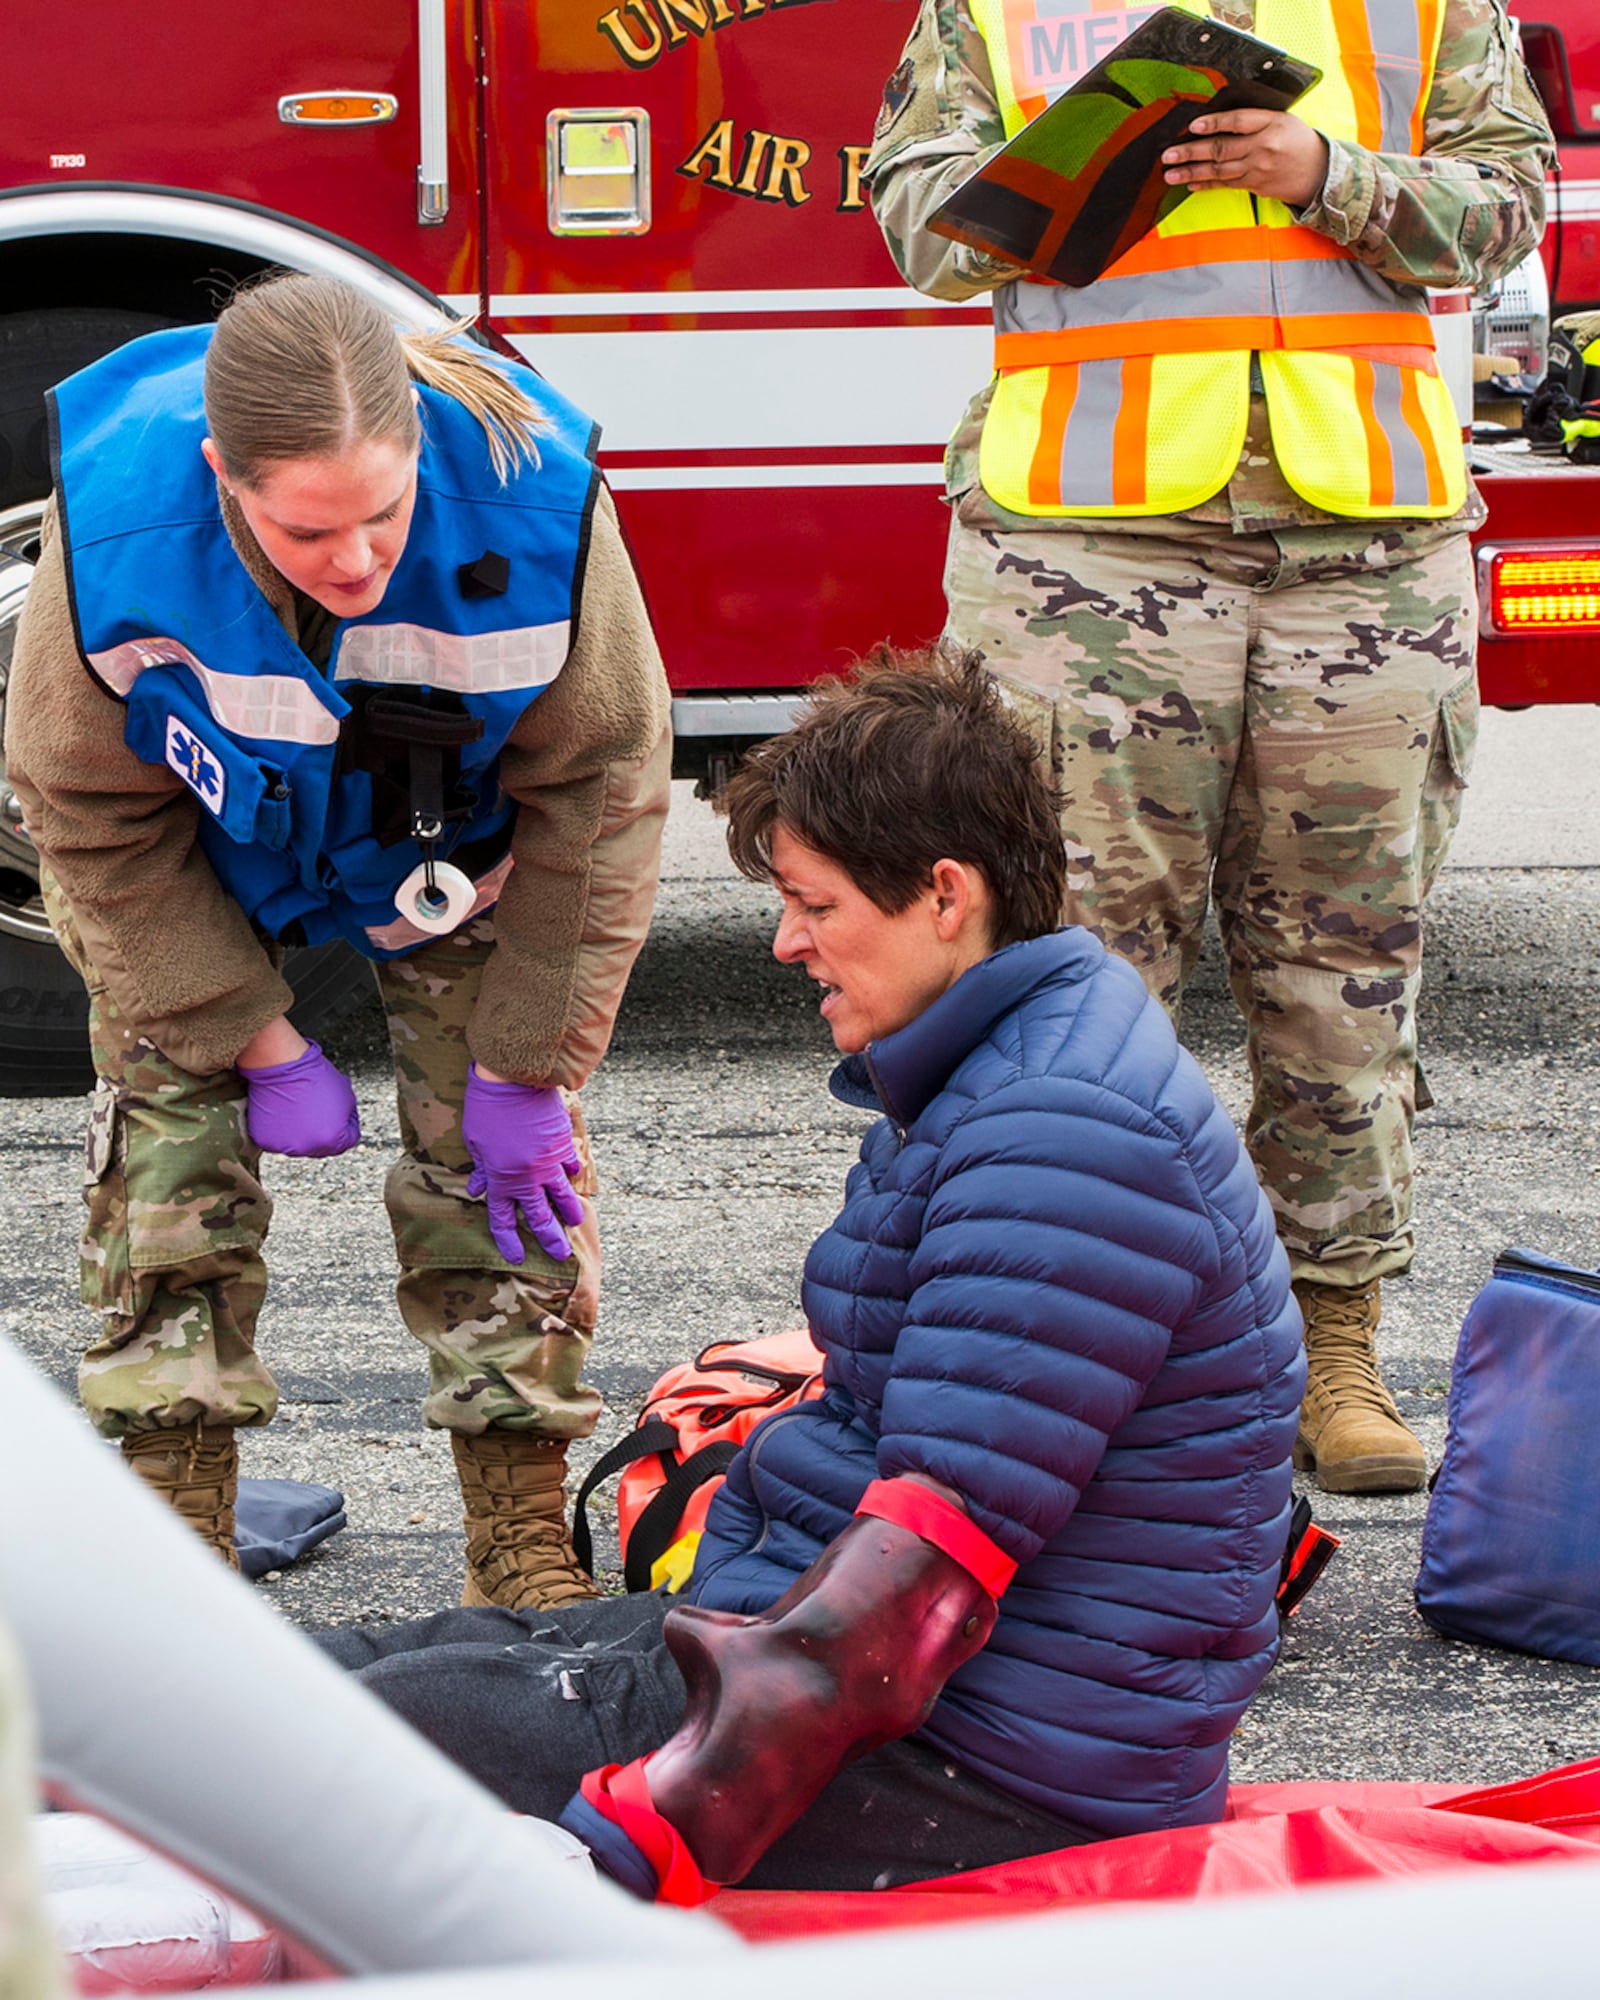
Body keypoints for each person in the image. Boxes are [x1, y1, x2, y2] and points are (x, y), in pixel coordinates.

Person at [317, 647, 1303, 1902]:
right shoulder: (1015, 1064)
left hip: (981, 1764)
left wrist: (654, 1829)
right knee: (302, 1676)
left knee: (295, 1748)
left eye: (815, 903)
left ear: (946, 894)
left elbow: (910, 1593)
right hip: (887, 1678)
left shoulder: (1062, 1137)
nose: (786, 943)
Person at [863, 1, 1555, 1494]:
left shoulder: (1422, 8)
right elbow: (919, 228)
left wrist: (1328, 173)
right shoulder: (997, 7)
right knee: (1073, 986)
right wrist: (1076, 173)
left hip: (1365, 553)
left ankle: (1337, 1353)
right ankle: (1097, 1361)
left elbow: (1509, 211)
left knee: (1347, 973)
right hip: (1084, 556)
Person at [3, 273, 671, 1609]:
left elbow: (604, 796)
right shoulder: (124, 527)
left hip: (451, 864)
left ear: (418, 442)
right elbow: (81, 806)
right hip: (195, 861)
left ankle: (520, 1538)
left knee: (503, 1187)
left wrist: (530, 1061)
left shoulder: (535, 499)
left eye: (384, 514)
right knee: (166, 1174)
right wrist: (246, 1034)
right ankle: (174, 1537)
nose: (358, 561)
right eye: (310, 531)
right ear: (222, 475)